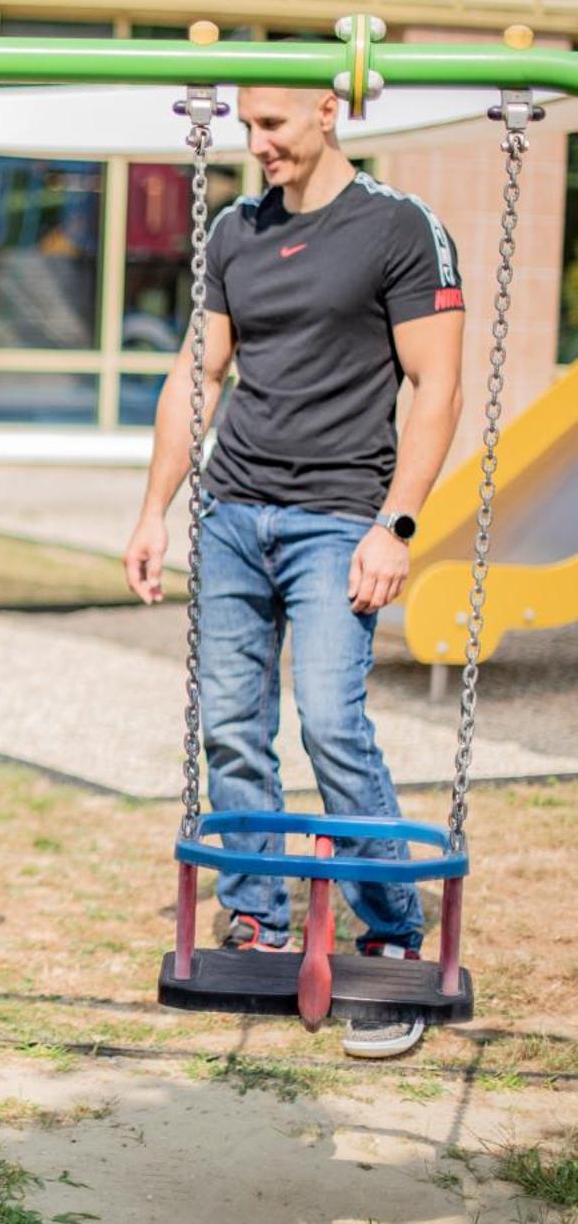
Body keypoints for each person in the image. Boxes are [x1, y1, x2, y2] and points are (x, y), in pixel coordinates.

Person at [123, 84, 465, 1061]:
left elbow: (433, 384)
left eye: (270, 125)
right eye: (244, 127)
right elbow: (196, 375)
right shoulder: (232, 230)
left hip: (334, 521)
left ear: (327, 111)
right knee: (229, 724)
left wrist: (394, 526)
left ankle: (390, 926)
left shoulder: (399, 229)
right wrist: (154, 510)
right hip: (230, 515)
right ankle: (256, 917)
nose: (255, 144)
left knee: (328, 719)